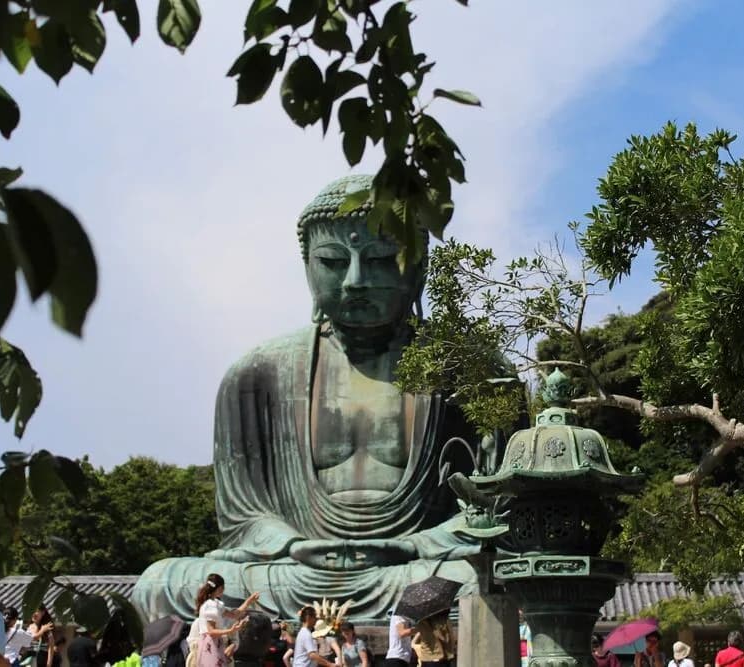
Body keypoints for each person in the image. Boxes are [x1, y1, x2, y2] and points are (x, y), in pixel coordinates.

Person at [131, 175, 526, 623]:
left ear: (418, 267)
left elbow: (499, 508)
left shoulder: (474, 371)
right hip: (295, 571)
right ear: (307, 267)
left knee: (498, 578)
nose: (355, 281)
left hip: (415, 568)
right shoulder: (256, 374)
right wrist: (292, 545)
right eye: (334, 261)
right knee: (161, 583)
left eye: (378, 259)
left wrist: (415, 545)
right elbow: (243, 519)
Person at [195, 574, 258, 667]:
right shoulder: (210, 606)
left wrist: (249, 600)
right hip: (210, 644)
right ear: (220, 588)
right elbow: (211, 631)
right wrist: (231, 631)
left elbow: (235, 614)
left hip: (215, 642)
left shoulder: (216, 604)